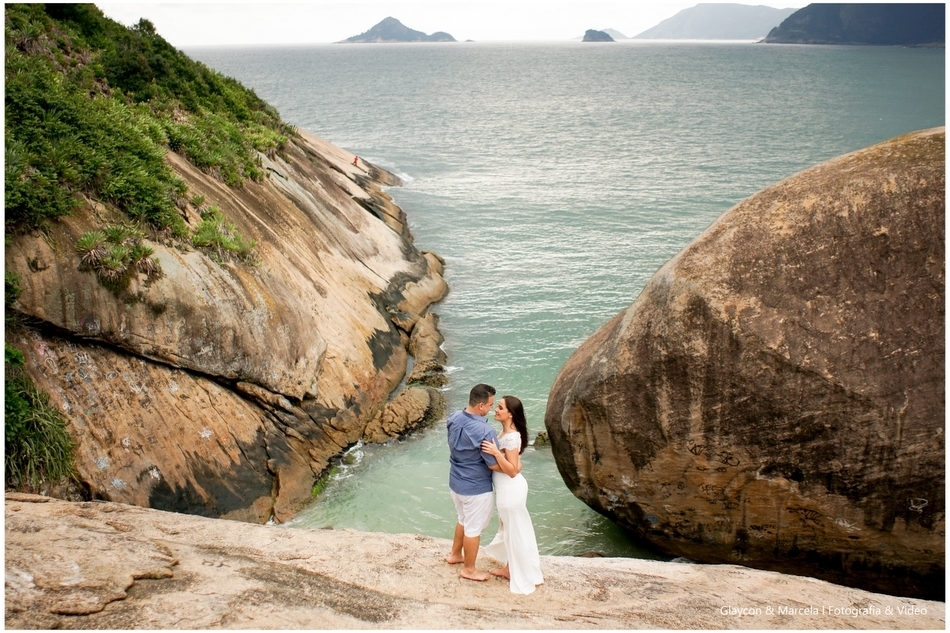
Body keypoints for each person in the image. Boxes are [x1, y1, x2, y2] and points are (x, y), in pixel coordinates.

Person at [480, 395, 544, 594]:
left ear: (510, 414)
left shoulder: (511, 437)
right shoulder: (506, 433)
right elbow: (517, 465)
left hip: (511, 490)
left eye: (500, 407)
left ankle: (519, 574)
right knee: (510, 530)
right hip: (508, 489)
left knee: (514, 532)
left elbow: (512, 470)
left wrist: (495, 453)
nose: (496, 410)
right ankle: (510, 569)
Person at [445, 383, 500, 581]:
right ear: (481, 406)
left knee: (463, 519)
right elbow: (493, 465)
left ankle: (455, 555)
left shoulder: (453, 418)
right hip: (476, 488)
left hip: (456, 482)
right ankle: (469, 569)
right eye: (490, 405)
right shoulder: (485, 431)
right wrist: (512, 466)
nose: (492, 408)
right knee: (473, 529)